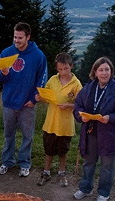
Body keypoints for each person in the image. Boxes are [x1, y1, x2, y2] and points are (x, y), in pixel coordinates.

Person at [73, 56, 115, 201]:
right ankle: (85, 188)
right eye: (101, 70)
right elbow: (77, 106)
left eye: (107, 69)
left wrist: (109, 118)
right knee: (88, 162)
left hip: (109, 135)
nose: (104, 73)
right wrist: (81, 116)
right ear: (95, 72)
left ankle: (104, 193)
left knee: (107, 165)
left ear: (111, 71)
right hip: (90, 132)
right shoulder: (88, 88)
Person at [0, 22, 47, 177]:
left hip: (27, 104)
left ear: (28, 37)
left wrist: (33, 100)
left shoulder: (38, 56)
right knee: (8, 135)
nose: (16, 41)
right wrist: (3, 73)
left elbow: (42, 79)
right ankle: (7, 162)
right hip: (9, 102)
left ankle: (24, 163)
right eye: (15, 37)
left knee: (27, 136)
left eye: (20, 38)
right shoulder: (6, 52)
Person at [35, 52, 82, 188]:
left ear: (71, 66)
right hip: (51, 122)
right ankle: (46, 171)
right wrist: (40, 98)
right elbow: (46, 95)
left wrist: (69, 105)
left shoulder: (76, 83)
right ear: (57, 68)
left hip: (65, 124)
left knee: (63, 150)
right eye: (60, 69)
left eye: (66, 69)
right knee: (48, 149)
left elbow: (81, 104)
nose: (63, 72)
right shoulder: (52, 80)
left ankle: (62, 172)